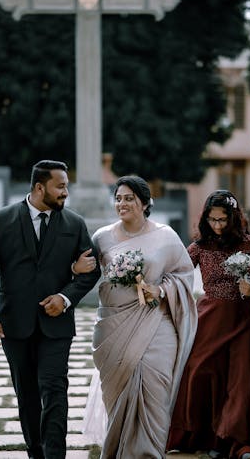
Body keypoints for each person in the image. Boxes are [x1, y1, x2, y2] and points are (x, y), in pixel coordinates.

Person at [0, 160, 101, 459]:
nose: (66, 192)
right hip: (13, 324)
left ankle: (55, 455)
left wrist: (66, 297)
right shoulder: (0, 219)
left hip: (57, 327)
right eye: (60, 186)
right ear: (39, 187)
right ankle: (36, 452)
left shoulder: (74, 223)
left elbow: (91, 271)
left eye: (66, 186)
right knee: (27, 394)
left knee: (54, 389)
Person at [85, 175, 198, 458]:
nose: (122, 204)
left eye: (129, 199)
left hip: (155, 321)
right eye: (119, 198)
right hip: (114, 325)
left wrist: (159, 289)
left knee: (155, 389)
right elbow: (86, 275)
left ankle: (149, 453)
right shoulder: (102, 237)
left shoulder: (166, 236)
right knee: (118, 391)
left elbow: (184, 275)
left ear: (146, 203)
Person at [167, 190, 250, 459]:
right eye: (212, 219)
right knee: (200, 371)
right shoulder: (199, 247)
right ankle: (204, 435)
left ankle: (235, 440)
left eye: (222, 219)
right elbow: (176, 274)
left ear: (234, 218)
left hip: (243, 317)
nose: (217, 225)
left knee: (241, 378)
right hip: (210, 317)